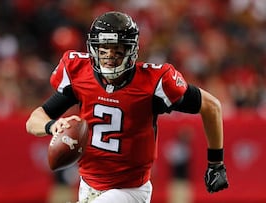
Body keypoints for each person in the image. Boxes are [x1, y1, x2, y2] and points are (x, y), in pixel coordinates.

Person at [26, 11, 229, 203]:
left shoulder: (154, 82)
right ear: (93, 49)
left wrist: (216, 162)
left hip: (130, 190)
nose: (109, 57)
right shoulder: (79, 73)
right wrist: (51, 126)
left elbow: (212, 106)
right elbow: (34, 119)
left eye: (117, 50)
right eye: (103, 50)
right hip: (88, 184)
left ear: (131, 50)